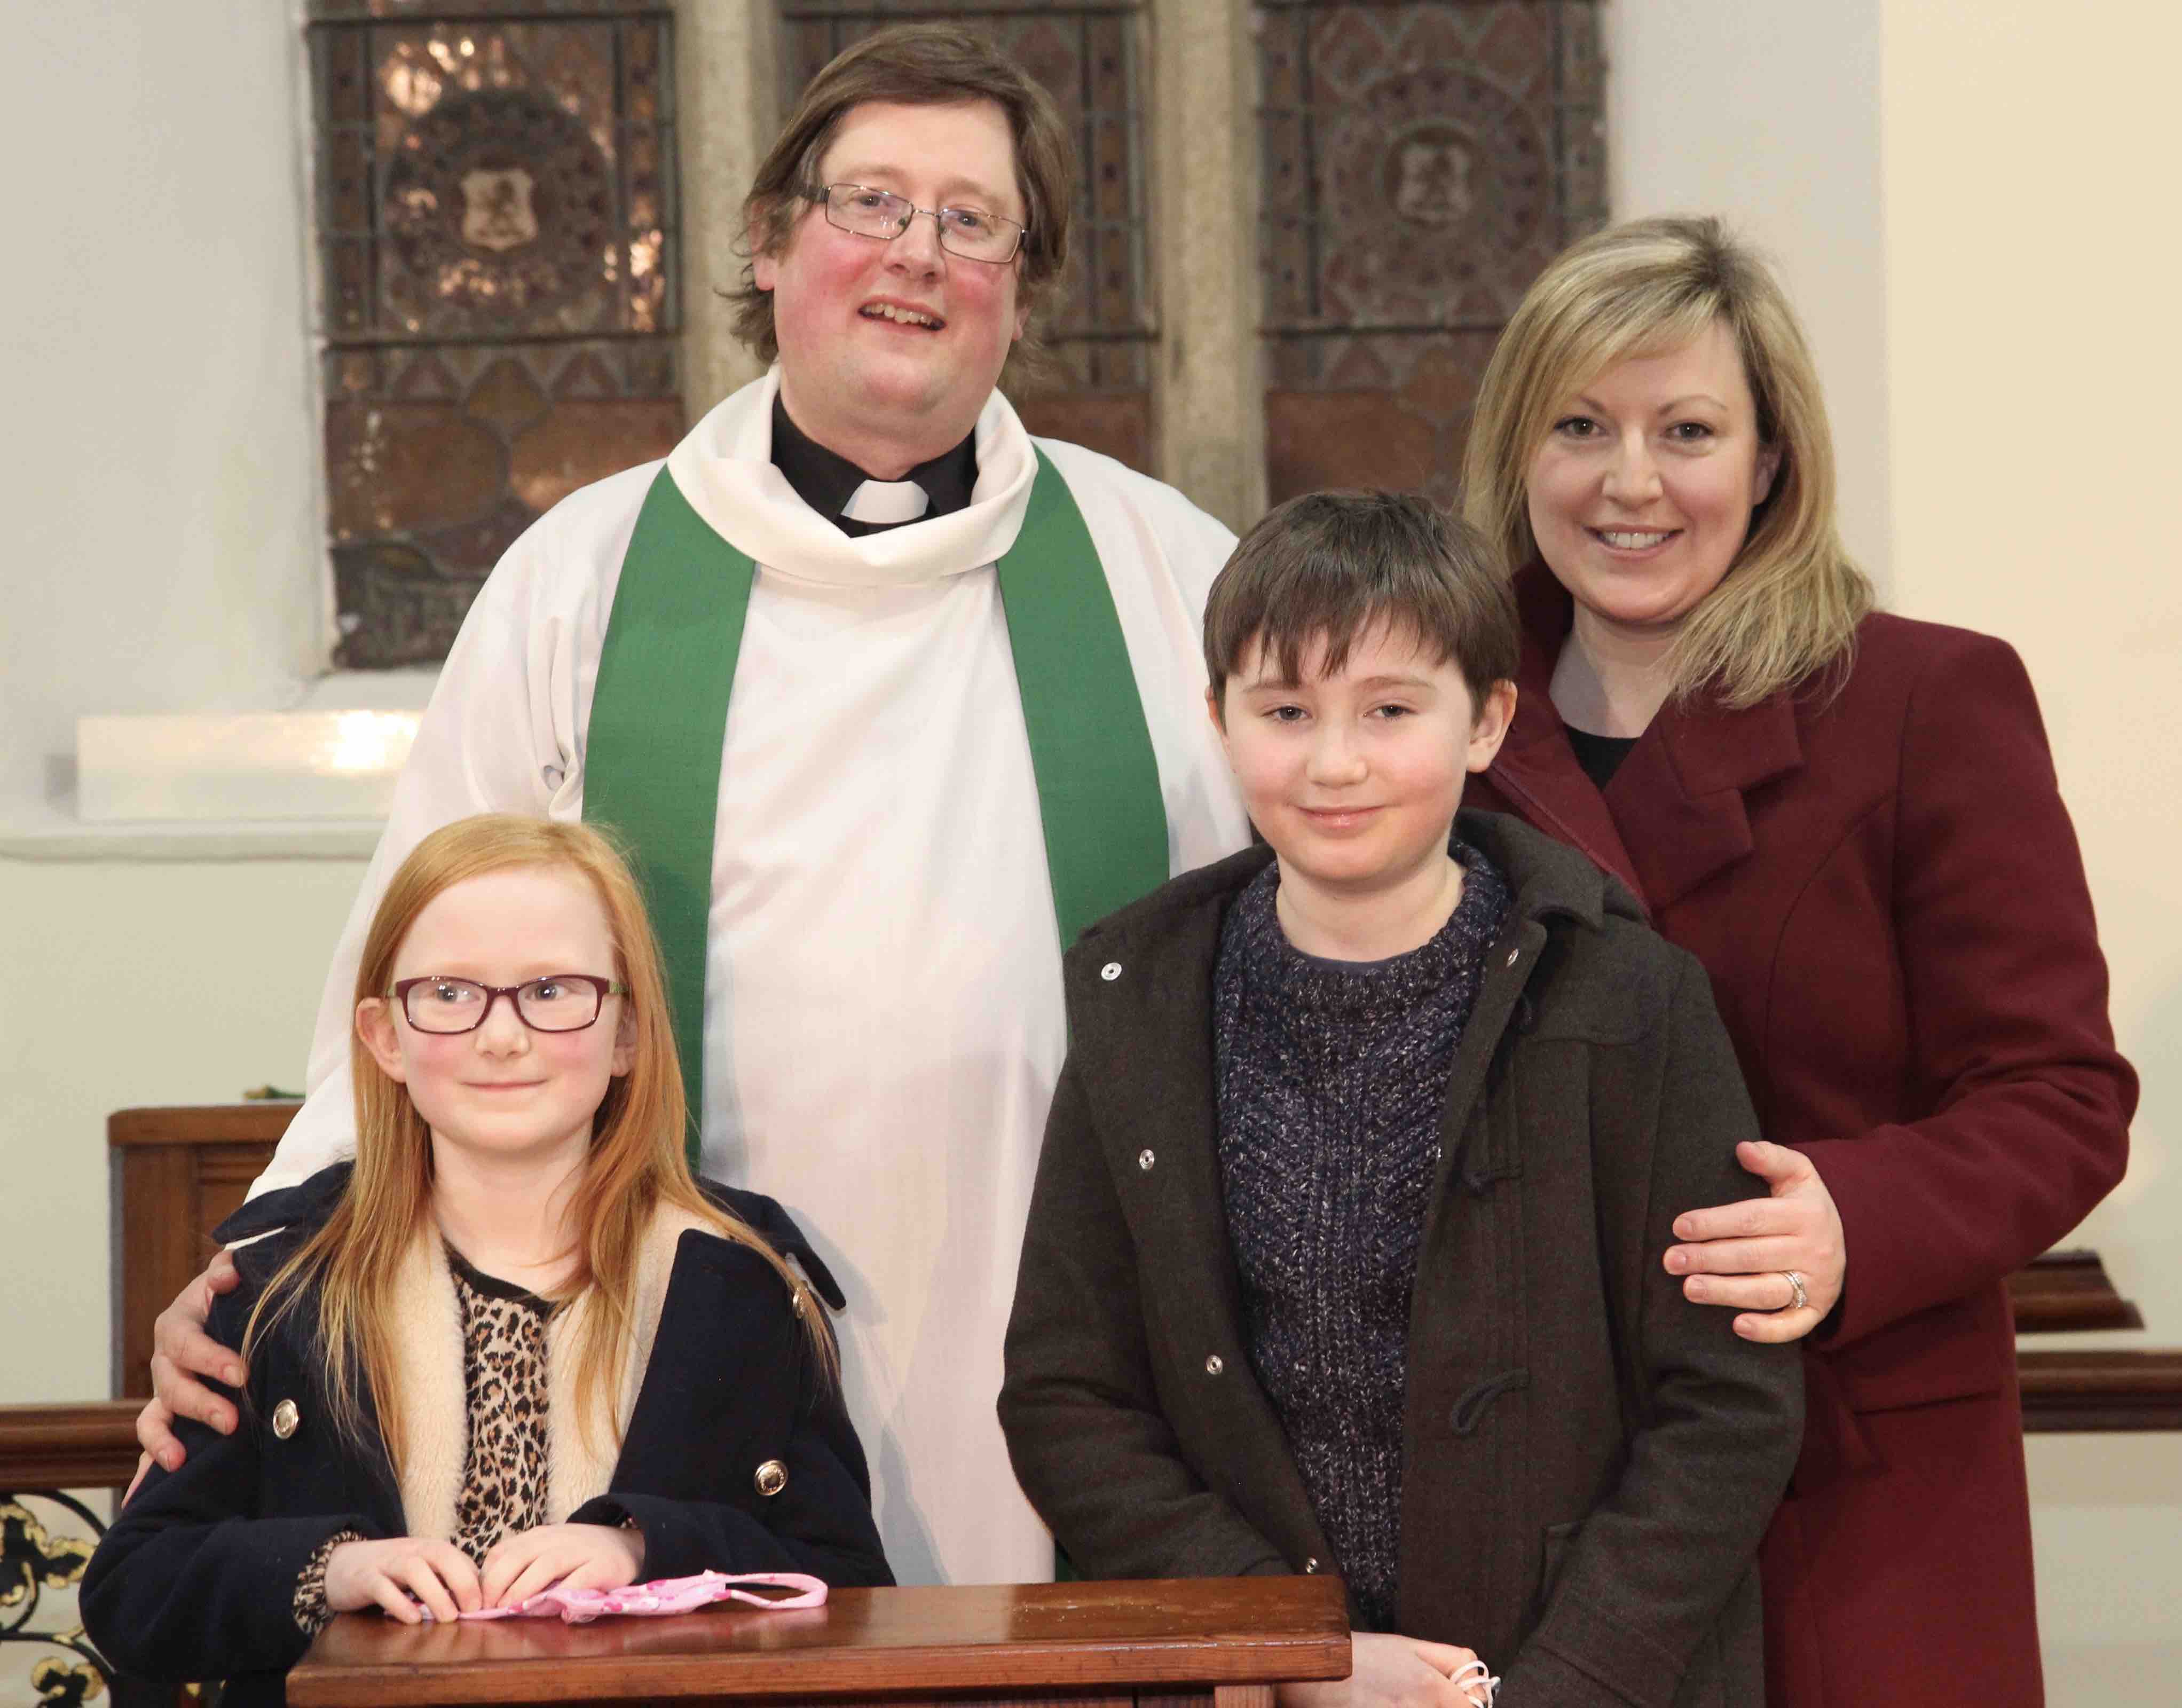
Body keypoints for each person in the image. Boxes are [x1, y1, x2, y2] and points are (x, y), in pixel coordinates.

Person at [132, 25, 1249, 1586]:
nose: (914, 257)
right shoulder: (584, 576)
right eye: (869, 202)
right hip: (672, 1369)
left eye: (969, 219)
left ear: (1027, 274)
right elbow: (412, 974)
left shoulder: (1167, 569)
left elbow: (1306, 937)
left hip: (1069, 1328)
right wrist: (259, 1267)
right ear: (770, 238)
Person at [1455, 216, 2136, 1706]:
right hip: (1525, 1502)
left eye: (1686, 430)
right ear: (1519, 451)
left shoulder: (1922, 699)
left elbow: (2061, 1093)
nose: (1630, 482)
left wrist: (1861, 1217)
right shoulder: (1436, 711)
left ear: (1768, 461)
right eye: (1581, 426)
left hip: (1848, 1486)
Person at [1000, 492, 1802, 1707]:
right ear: (1216, 719)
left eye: (1388, 708)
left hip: (1589, 1673)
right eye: (1284, 710)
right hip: (1272, 1678)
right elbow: (1071, 1396)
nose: (1333, 762)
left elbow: (1724, 1406)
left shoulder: (1630, 994)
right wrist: (1294, 1649)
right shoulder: (1138, 997)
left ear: (1484, 720)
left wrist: (1555, 1683)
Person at [82, 815, 890, 1703]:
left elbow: (849, 1589)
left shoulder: (737, 1287)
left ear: (627, 1032)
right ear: (385, 1036)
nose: (502, 1037)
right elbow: (132, 1590)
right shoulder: (286, 1287)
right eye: (450, 992)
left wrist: (642, 1547)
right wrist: (331, 1571)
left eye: (553, 991)